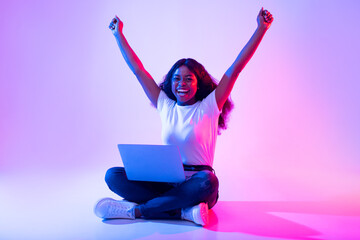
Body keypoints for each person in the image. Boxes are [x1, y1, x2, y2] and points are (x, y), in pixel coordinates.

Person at [94, 8, 273, 226]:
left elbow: (235, 69)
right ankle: (183, 212)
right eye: (177, 79)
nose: (182, 84)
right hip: (168, 183)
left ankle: (137, 211)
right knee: (113, 175)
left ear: (199, 84)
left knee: (209, 181)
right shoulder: (165, 105)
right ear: (170, 82)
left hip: (198, 185)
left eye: (189, 79)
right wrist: (118, 35)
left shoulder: (209, 106)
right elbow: (138, 71)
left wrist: (261, 29)